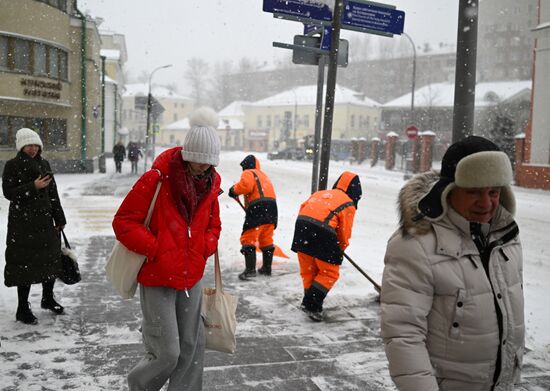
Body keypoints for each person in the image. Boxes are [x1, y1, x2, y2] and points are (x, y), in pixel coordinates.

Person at [380, 136, 524, 391]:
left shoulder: (506, 237)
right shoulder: (416, 245)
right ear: (448, 190)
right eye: (474, 191)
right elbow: (403, 334)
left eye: (494, 192)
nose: (486, 203)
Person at [112, 107, 222, 391]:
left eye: (207, 161)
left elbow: (214, 226)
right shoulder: (158, 179)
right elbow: (124, 222)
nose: (202, 166)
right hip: (157, 276)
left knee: (192, 347)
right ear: (186, 154)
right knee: (167, 351)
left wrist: (203, 248)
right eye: (196, 160)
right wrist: (156, 248)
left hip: (191, 277)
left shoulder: (210, 186)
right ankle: (141, 386)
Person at [2, 128, 67, 325]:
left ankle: (47, 298)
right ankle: (22, 308)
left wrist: (60, 218)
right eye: (28, 145)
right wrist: (33, 187)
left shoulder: (44, 163)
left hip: (46, 222)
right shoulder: (12, 165)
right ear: (21, 147)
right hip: (23, 225)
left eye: (35, 145)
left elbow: (53, 193)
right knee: (25, 265)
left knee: (50, 261)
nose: (33, 149)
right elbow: (8, 192)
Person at [291, 171, 362, 321]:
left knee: (309, 270)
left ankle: (311, 303)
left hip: (301, 229)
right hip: (322, 232)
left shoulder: (320, 193)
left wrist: (306, 233)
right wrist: (339, 250)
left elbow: (303, 209)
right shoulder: (348, 203)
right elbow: (344, 233)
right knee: (330, 272)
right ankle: (311, 305)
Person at [228, 154, 278, 280]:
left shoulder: (249, 172)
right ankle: (267, 268)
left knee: (248, 237)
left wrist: (233, 190)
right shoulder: (263, 175)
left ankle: (250, 270)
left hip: (258, 207)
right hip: (272, 208)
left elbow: (245, 186)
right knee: (266, 237)